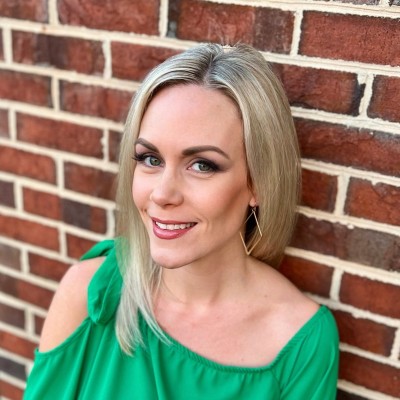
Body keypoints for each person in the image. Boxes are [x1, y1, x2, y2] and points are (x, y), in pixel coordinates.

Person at [24, 43, 339, 399]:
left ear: (259, 183)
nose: (162, 194)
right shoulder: (90, 292)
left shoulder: (299, 342)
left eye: (202, 165)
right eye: (150, 159)